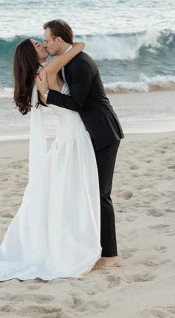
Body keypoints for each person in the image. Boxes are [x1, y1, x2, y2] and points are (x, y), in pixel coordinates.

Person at [0, 38, 101, 281]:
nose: (43, 46)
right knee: (73, 192)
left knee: (64, 193)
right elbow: (75, 50)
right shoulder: (46, 71)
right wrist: (76, 44)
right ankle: (73, 245)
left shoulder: (39, 75)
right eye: (37, 45)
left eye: (41, 41)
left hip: (68, 136)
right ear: (30, 56)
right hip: (74, 136)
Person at [38, 19, 124, 270]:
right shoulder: (70, 60)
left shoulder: (81, 63)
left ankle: (110, 255)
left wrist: (47, 94)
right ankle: (94, 248)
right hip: (89, 134)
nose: (44, 43)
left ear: (58, 40)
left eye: (46, 39)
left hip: (104, 133)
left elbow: (77, 103)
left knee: (101, 194)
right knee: (90, 193)